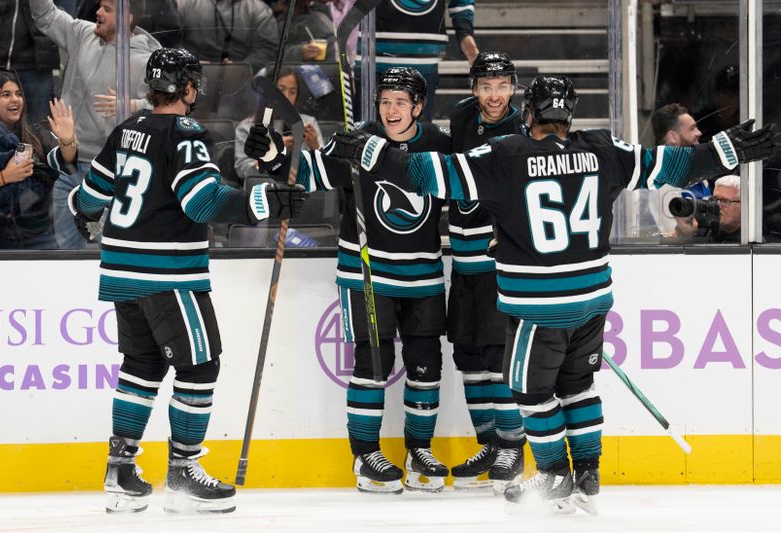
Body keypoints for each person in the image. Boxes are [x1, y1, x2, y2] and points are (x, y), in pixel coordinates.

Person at [324, 75, 779, 513]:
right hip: (592, 300)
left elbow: (425, 173)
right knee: (579, 387)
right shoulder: (604, 149)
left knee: (529, 390)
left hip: (539, 306)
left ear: (527, 113)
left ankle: (553, 471)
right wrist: (727, 149)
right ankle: (587, 472)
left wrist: (370, 152)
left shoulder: (504, 155)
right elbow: (675, 164)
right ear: (569, 115)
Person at [69, 48, 306, 514]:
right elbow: (200, 203)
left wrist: (81, 211)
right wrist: (263, 203)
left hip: (122, 271)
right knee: (200, 368)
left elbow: (91, 196)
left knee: (141, 366)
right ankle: (182, 471)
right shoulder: (186, 133)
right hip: (168, 273)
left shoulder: (128, 129)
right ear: (190, 89)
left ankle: (120, 471)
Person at [245, 67, 454, 494]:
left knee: (426, 366)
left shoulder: (438, 145)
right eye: (385, 101)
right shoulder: (355, 141)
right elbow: (308, 174)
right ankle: (366, 456)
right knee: (372, 365)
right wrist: (271, 156)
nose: (391, 109)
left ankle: (419, 451)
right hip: (366, 274)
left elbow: (462, 190)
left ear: (418, 107)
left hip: (423, 276)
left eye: (401, 102)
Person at [445, 51, 526, 494]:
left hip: (499, 264)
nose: (494, 96)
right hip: (463, 260)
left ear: (512, 87)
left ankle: (513, 446)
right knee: (469, 358)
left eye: (502, 86)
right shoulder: (460, 118)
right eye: (486, 86)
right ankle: (489, 443)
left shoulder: (522, 128)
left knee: (499, 360)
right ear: (473, 89)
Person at [29, 0, 161, 249]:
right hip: (68, 163)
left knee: (109, 254)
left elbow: (170, 107)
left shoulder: (149, 59)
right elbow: (45, 15)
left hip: (110, 172)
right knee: (67, 256)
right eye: (100, 6)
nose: (97, 13)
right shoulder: (82, 33)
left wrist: (132, 104)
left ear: (127, 19)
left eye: (107, 10)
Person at [0, 70, 77, 249]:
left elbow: (66, 162)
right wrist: (4, 176)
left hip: (38, 236)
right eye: (6, 95)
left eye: (18, 94)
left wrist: (67, 142)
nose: (15, 100)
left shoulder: (35, 135)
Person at [357, 0, 479, 121]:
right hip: (369, 60)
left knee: (419, 137)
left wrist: (466, 36)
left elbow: (461, 3)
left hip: (422, 60)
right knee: (367, 136)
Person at [234, 66, 324, 181]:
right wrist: (272, 154)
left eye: (293, 92)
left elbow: (324, 170)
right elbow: (243, 171)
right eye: (281, 90)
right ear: (266, 93)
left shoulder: (308, 122)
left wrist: (315, 146)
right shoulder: (247, 127)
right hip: (264, 188)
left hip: (301, 187)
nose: (286, 97)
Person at [650, 103, 709, 238]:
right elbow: (676, 238)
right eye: (692, 128)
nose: (699, 133)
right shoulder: (663, 182)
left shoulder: (695, 171)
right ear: (673, 137)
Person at [174, 0, 279, 72]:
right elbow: (171, 40)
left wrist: (242, 68)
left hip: (241, 78)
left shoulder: (258, 10)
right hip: (189, 72)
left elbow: (267, 47)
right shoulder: (184, 4)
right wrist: (189, 61)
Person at [712, 174, 741, 243]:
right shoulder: (700, 232)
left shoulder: (752, 241)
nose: (717, 205)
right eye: (714, 199)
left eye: (725, 201)